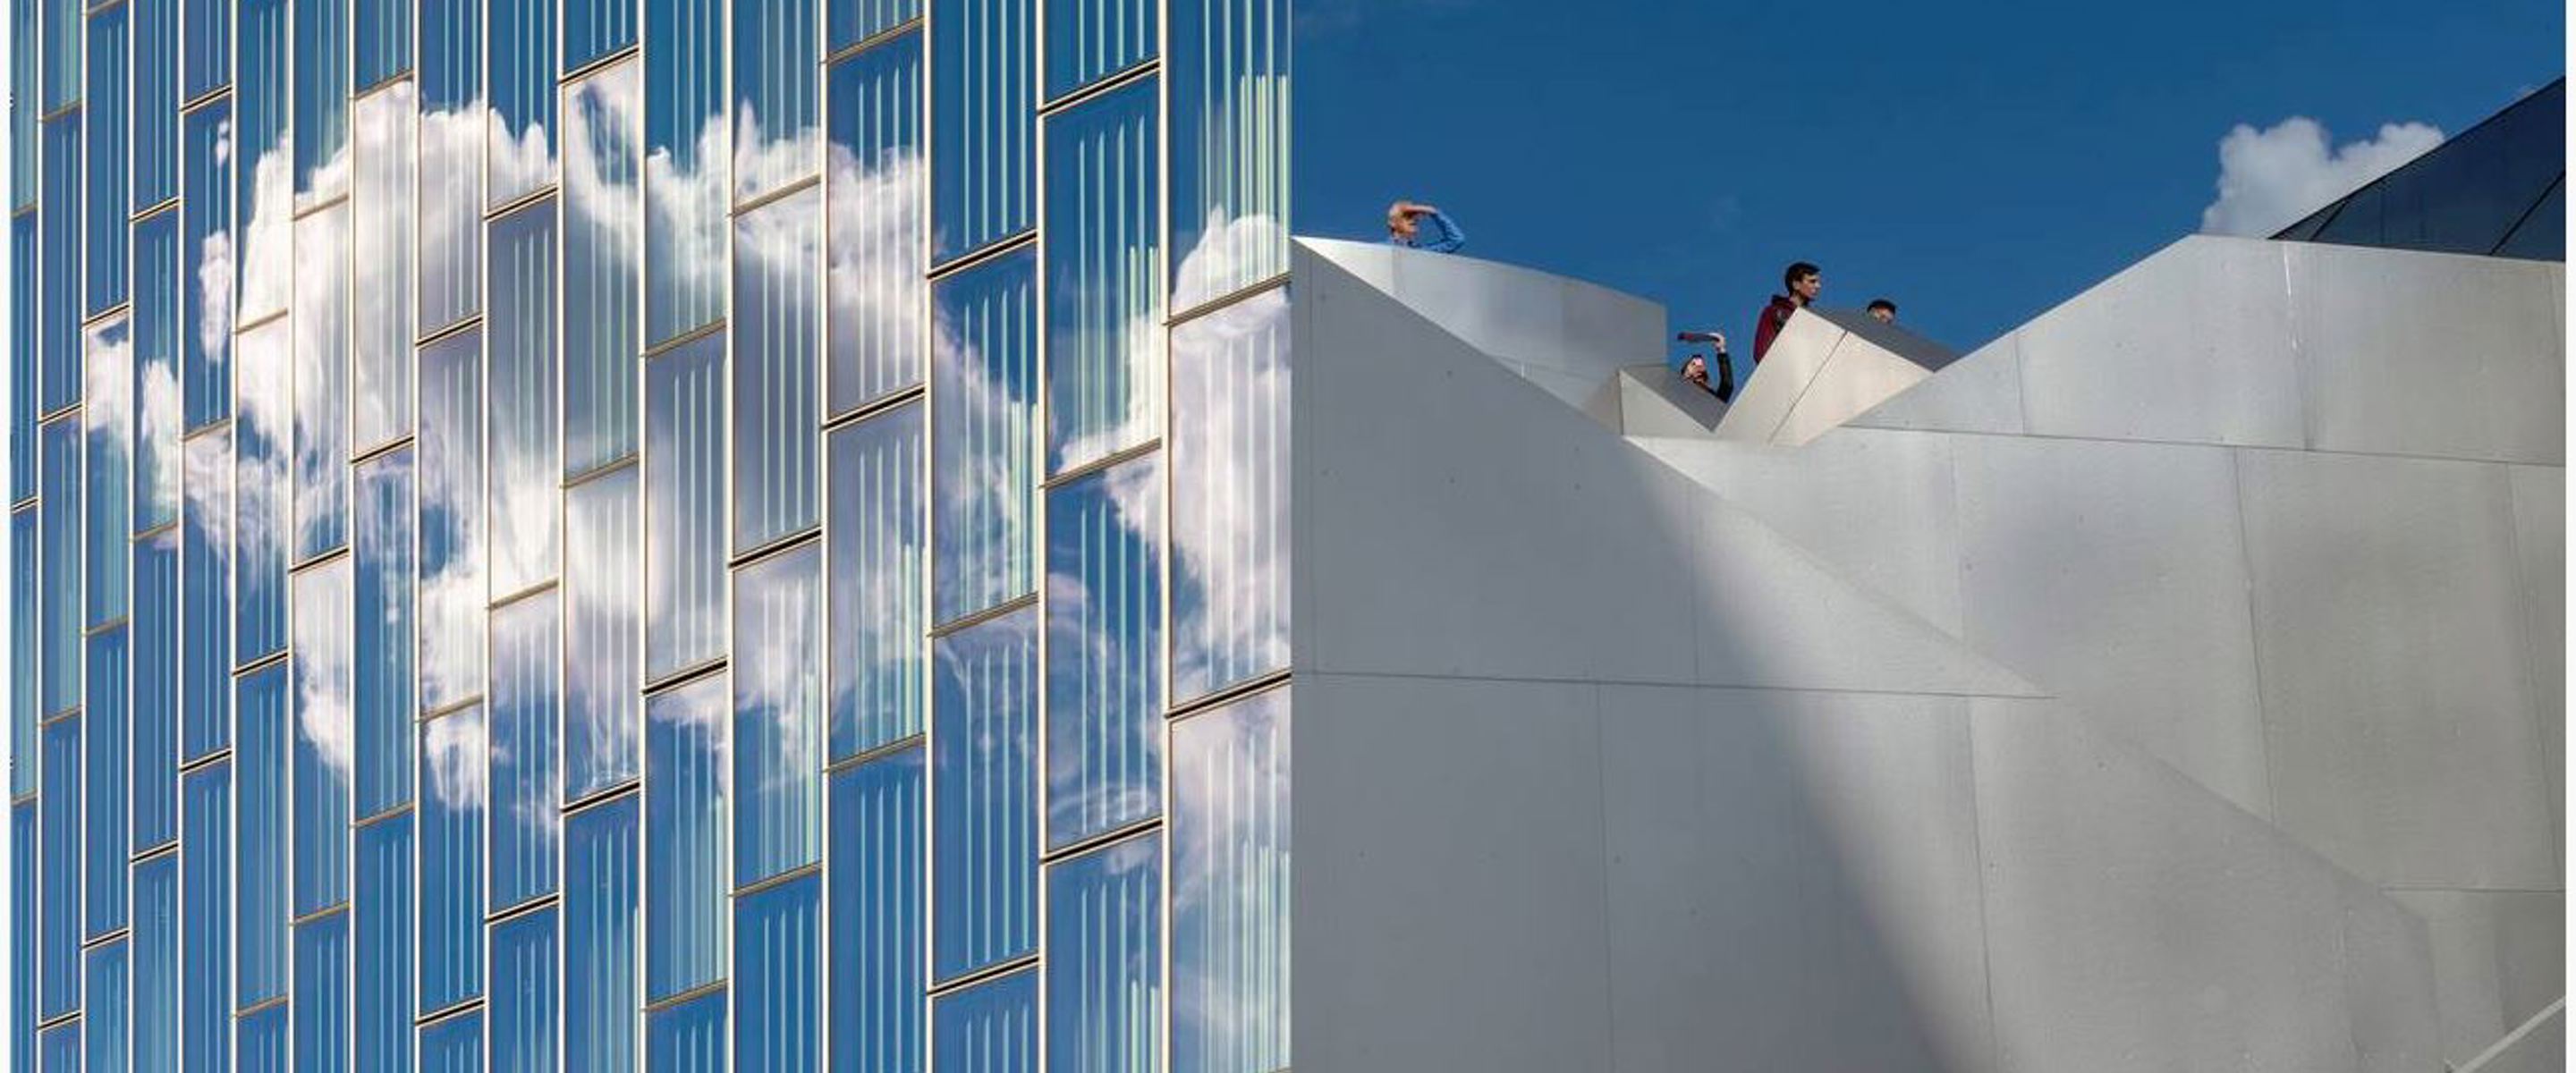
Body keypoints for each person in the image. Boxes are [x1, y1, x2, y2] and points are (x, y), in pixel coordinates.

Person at [1752, 261, 1821, 363]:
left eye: (1818, 282)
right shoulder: (1773, 312)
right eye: (1812, 281)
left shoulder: (1815, 319)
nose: (1818, 286)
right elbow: (1761, 353)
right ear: (1796, 285)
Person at [1386, 200, 1466, 253]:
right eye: (1407, 217)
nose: (1413, 220)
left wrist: (1433, 212)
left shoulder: (1422, 252)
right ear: (1392, 223)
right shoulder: (1379, 249)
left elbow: (1456, 240)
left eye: (1414, 217)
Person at [1677, 330, 1736, 401]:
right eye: (1693, 364)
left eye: (1701, 366)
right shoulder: (1680, 395)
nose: (1699, 367)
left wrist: (1721, 349)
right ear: (1685, 374)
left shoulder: (1713, 399)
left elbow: (1727, 385)